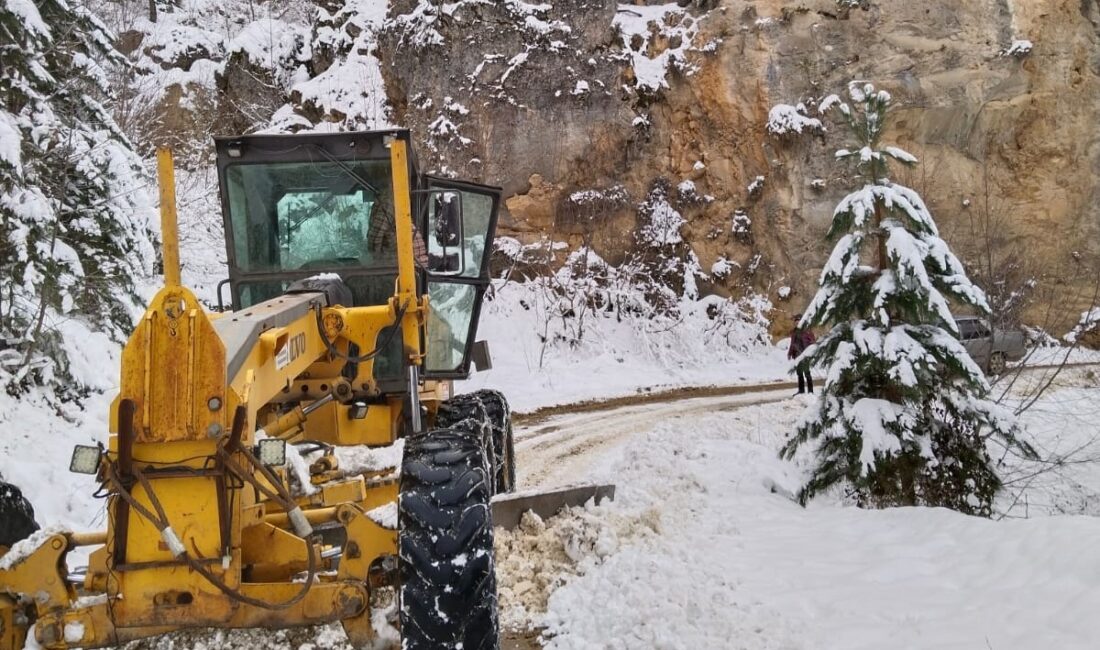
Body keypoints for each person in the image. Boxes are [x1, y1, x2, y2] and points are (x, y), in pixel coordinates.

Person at [788, 315, 816, 395]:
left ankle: (810, 391)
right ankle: (801, 390)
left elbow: (813, 342)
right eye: (796, 321)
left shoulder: (807, 331)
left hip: (805, 355)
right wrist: (790, 353)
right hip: (797, 355)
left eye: (798, 321)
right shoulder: (794, 332)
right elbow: (792, 343)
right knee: (799, 373)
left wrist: (809, 351)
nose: (797, 323)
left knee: (807, 372)